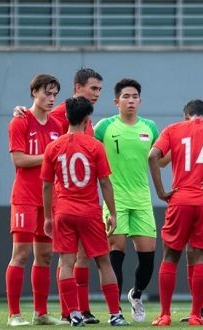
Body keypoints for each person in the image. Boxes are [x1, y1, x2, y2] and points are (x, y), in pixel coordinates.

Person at [13, 68, 104, 324]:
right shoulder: (61, 114)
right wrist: (22, 111)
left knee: (74, 255)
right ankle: (27, 313)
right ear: (78, 88)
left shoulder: (87, 121)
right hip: (52, 197)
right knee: (48, 254)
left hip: (68, 198)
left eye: (100, 90)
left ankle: (73, 310)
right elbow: (41, 128)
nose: (97, 94)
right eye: (93, 89)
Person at [148, 99, 203, 326]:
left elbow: (152, 156)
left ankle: (165, 314)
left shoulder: (174, 129)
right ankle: (196, 315)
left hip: (180, 198)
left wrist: (160, 191)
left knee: (170, 256)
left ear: (185, 115)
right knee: (201, 256)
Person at [41, 96, 130, 327]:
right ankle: (115, 314)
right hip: (89, 212)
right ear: (87, 119)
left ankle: (74, 314)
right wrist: (112, 212)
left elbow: (47, 185)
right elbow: (105, 183)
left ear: (67, 117)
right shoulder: (95, 146)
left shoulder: (53, 147)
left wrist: (49, 217)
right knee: (104, 262)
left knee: (67, 262)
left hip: (63, 211)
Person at [93, 78, 158, 322]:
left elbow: (161, 158)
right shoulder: (105, 127)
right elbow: (85, 144)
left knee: (148, 257)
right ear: (116, 101)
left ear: (140, 101)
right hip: (115, 200)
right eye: (126, 97)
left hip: (142, 200)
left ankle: (136, 294)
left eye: (134, 97)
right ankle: (116, 310)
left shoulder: (150, 127)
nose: (130, 101)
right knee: (115, 251)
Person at [5, 74, 67, 326]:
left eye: (54, 94)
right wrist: (49, 155)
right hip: (25, 197)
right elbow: (19, 160)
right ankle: (14, 315)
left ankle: (40, 313)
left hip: (49, 200)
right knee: (20, 254)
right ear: (33, 92)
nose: (51, 99)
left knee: (45, 256)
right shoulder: (20, 121)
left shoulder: (57, 125)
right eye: (46, 93)